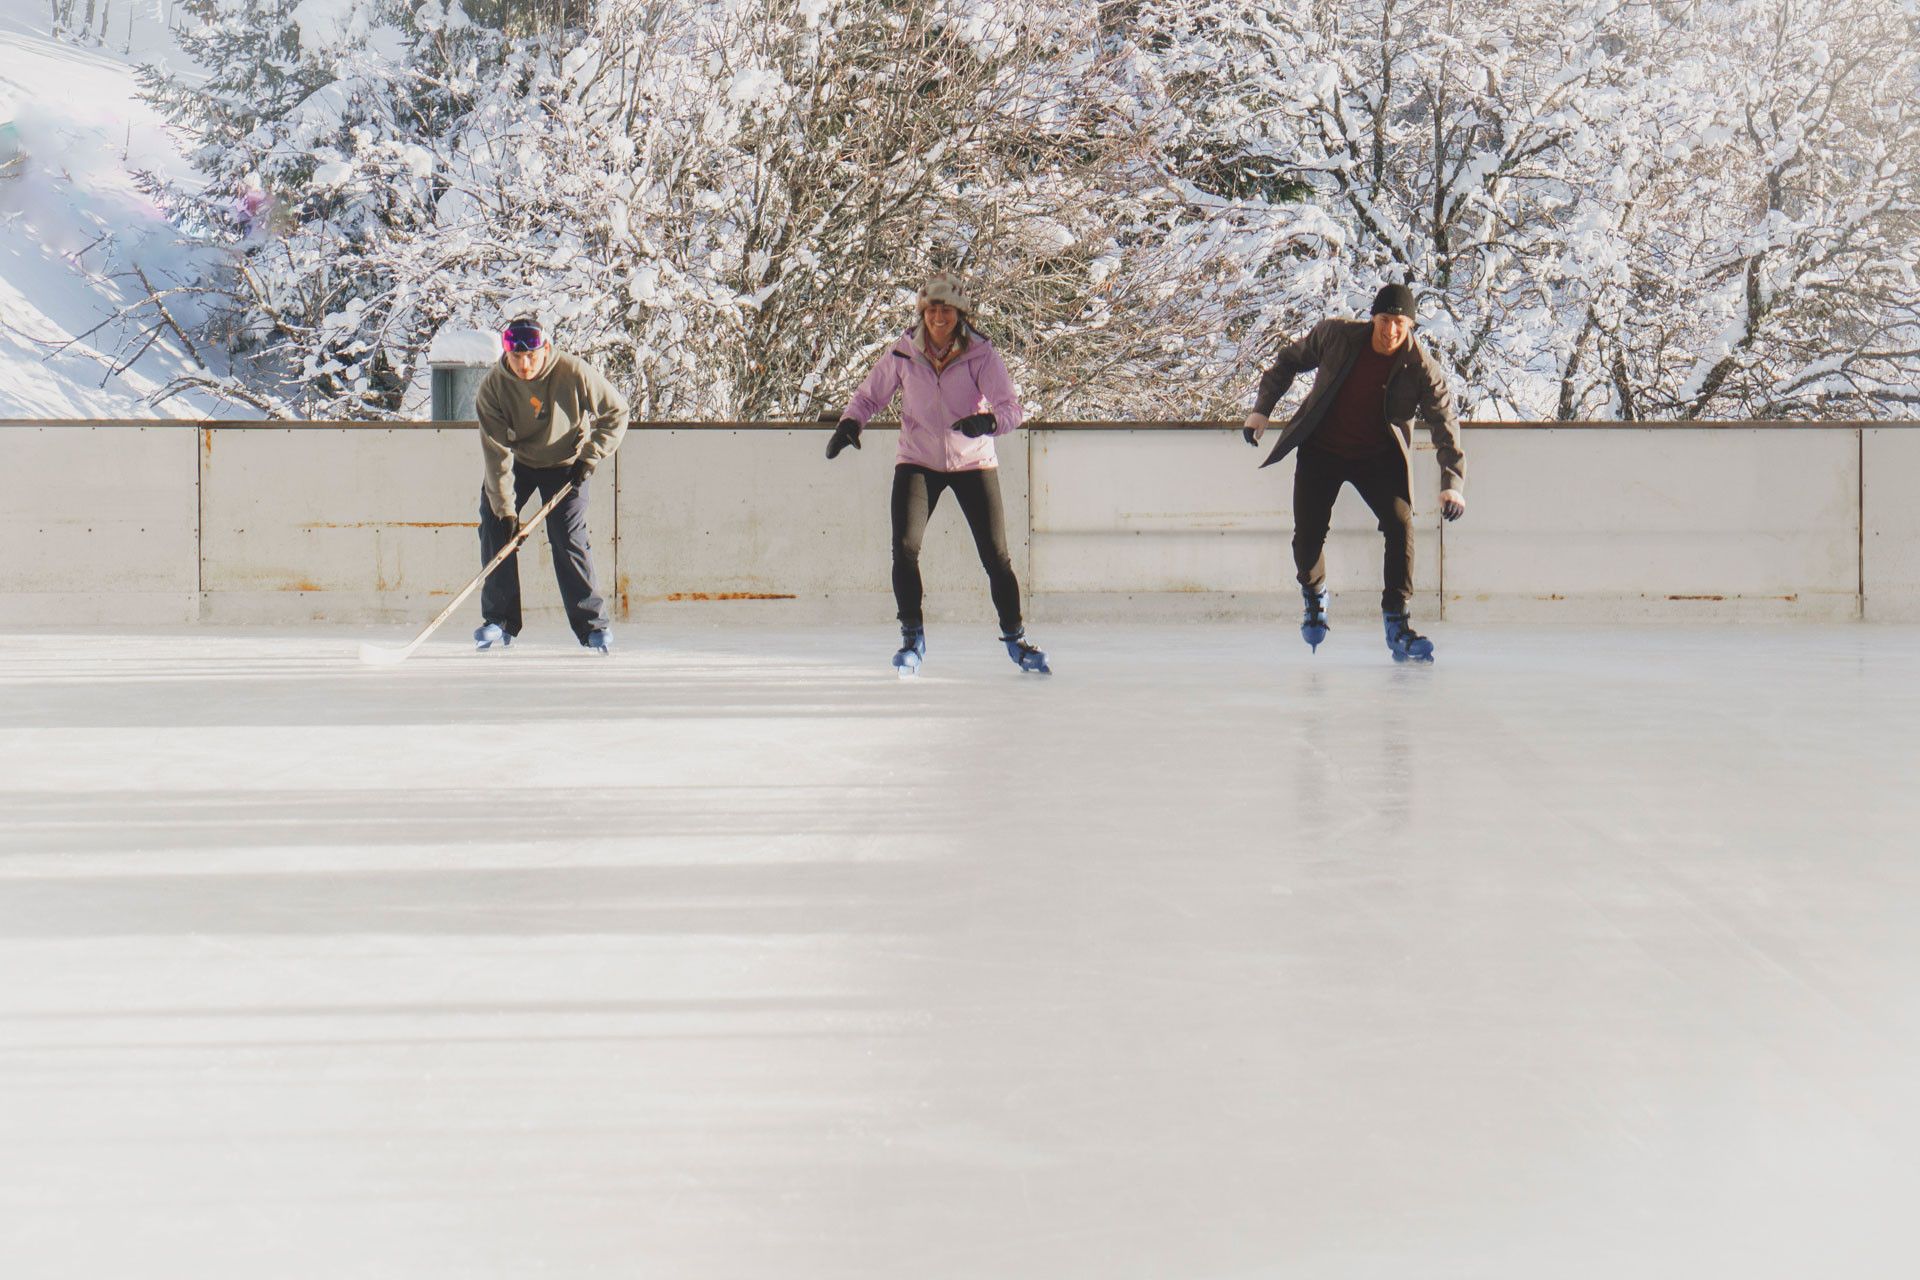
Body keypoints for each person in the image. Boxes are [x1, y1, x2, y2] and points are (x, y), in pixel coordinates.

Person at [826, 272, 1047, 676]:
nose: (937, 317)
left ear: (959, 314)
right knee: (904, 549)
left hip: (973, 462)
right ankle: (912, 637)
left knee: (996, 557)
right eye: (931, 309)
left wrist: (988, 423)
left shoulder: (981, 354)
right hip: (917, 459)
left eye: (945, 309)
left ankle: (1016, 641)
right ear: (922, 313)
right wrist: (849, 424)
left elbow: (1011, 409)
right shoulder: (905, 352)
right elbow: (869, 395)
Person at [1242, 284, 1467, 663]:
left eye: (1400, 323)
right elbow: (1289, 360)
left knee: (1400, 525)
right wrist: (1262, 408)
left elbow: (1445, 422)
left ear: (1410, 325)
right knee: (1308, 535)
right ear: (1373, 318)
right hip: (1322, 450)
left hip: (1377, 458)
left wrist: (1452, 483)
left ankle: (1397, 620)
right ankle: (1314, 596)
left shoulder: (1422, 367)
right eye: (1384, 320)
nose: (1391, 331)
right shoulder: (1337, 336)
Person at [472, 316, 630, 653]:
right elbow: (496, 455)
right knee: (494, 527)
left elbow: (616, 412)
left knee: (568, 536)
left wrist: (590, 455)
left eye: (532, 356)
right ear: (506, 354)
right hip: (519, 463)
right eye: (516, 357)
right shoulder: (492, 388)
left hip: (567, 464)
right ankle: (500, 621)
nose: (524, 364)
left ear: (545, 349)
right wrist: (505, 511)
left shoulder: (573, 372)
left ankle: (592, 626)